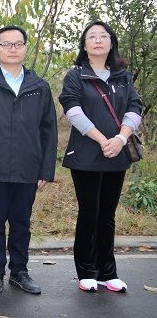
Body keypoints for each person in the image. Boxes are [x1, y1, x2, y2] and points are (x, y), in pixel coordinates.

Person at [0, 25, 57, 295]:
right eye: (6, 44)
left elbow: (48, 131)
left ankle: (19, 271)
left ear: (26, 48)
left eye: (18, 44)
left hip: (28, 168)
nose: (12, 49)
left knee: (21, 223)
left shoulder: (39, 87)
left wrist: (45, 170)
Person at [59, 21, 142, 293]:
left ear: (111, 43)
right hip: (86, 156)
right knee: (89, 214)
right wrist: (103, 140)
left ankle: (108, 272)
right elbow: (73, 110)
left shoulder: (123, 76)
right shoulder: (76, 76)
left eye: (103, 36)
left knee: (107, 215)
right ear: (84, 45)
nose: (97, 40)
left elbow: (134, 108)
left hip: (116, 154)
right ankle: (87, 271)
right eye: (91, 37)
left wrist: (120, 139)